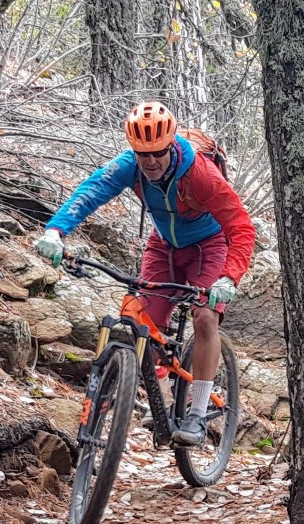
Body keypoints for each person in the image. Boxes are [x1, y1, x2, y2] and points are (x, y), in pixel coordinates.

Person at [34, 101, 254, 447]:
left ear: (170, 146)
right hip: (164, 246)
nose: (149, 162)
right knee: (143, 327)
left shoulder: (200, 173)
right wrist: (56, 231)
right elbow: (92, 191)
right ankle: (162, 402)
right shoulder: (130, 167)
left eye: (157, 153)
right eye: (141, 154)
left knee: (205, 319)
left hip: (209, 246)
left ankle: (196, 415)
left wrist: (229, 277)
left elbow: (241, 227)